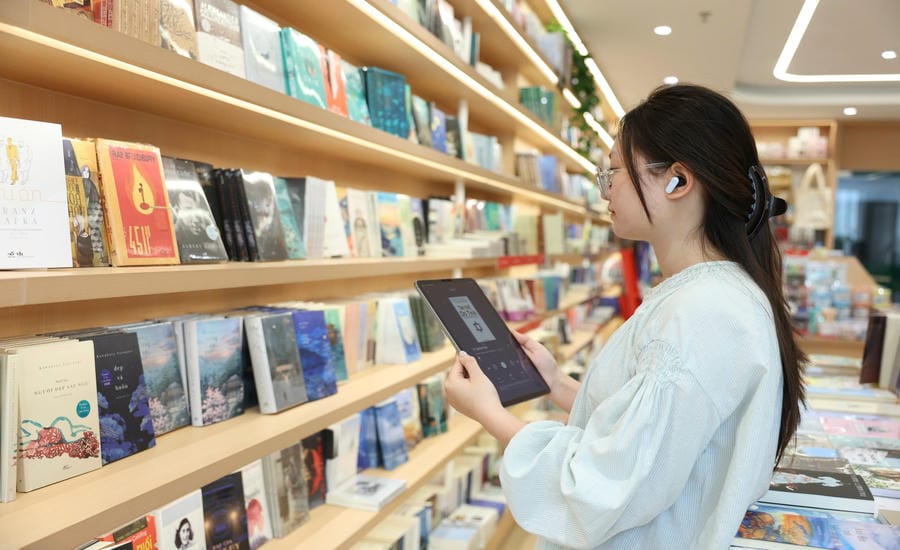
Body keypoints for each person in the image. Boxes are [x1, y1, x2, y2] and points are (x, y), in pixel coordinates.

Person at [443, 84, 806, 549]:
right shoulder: (712, 296)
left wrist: (489, 414)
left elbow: (600, 486)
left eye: (614, 170)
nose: (606, 187)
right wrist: (558, 385)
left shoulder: (701, 314)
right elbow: (655, 434)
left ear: (678, 180)